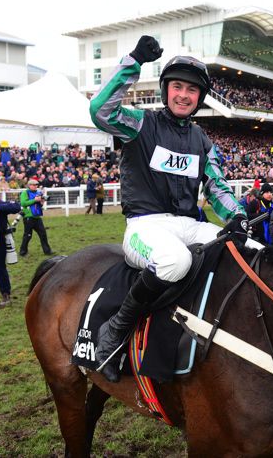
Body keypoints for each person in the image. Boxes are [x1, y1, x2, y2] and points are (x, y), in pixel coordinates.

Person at [89, 35, 254, 382]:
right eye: (177, 86)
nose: (183, 94)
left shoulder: (202, 141)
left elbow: (217, 186)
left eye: (191, 90)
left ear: (199, 98)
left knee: (252, 249)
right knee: (175, 261)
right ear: (165, 91)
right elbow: (100, 111)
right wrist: (133, 62)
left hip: (189, 225)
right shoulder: (138, 124)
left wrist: (237, 217)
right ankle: (116, 328)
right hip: (144, 227)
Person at [19, 179, 54, 257]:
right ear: (29, 185)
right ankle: (23, 252)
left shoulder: (38, 193)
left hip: (37, 216)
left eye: (36, 185)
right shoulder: (25, 193)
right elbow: (23, 203)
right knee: (28, 235)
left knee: (43, 234)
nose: (35, 186)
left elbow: (39, 205)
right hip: (28, 216)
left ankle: (47, 251)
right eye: (34, 185)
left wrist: (42, 202)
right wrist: (34, 200)